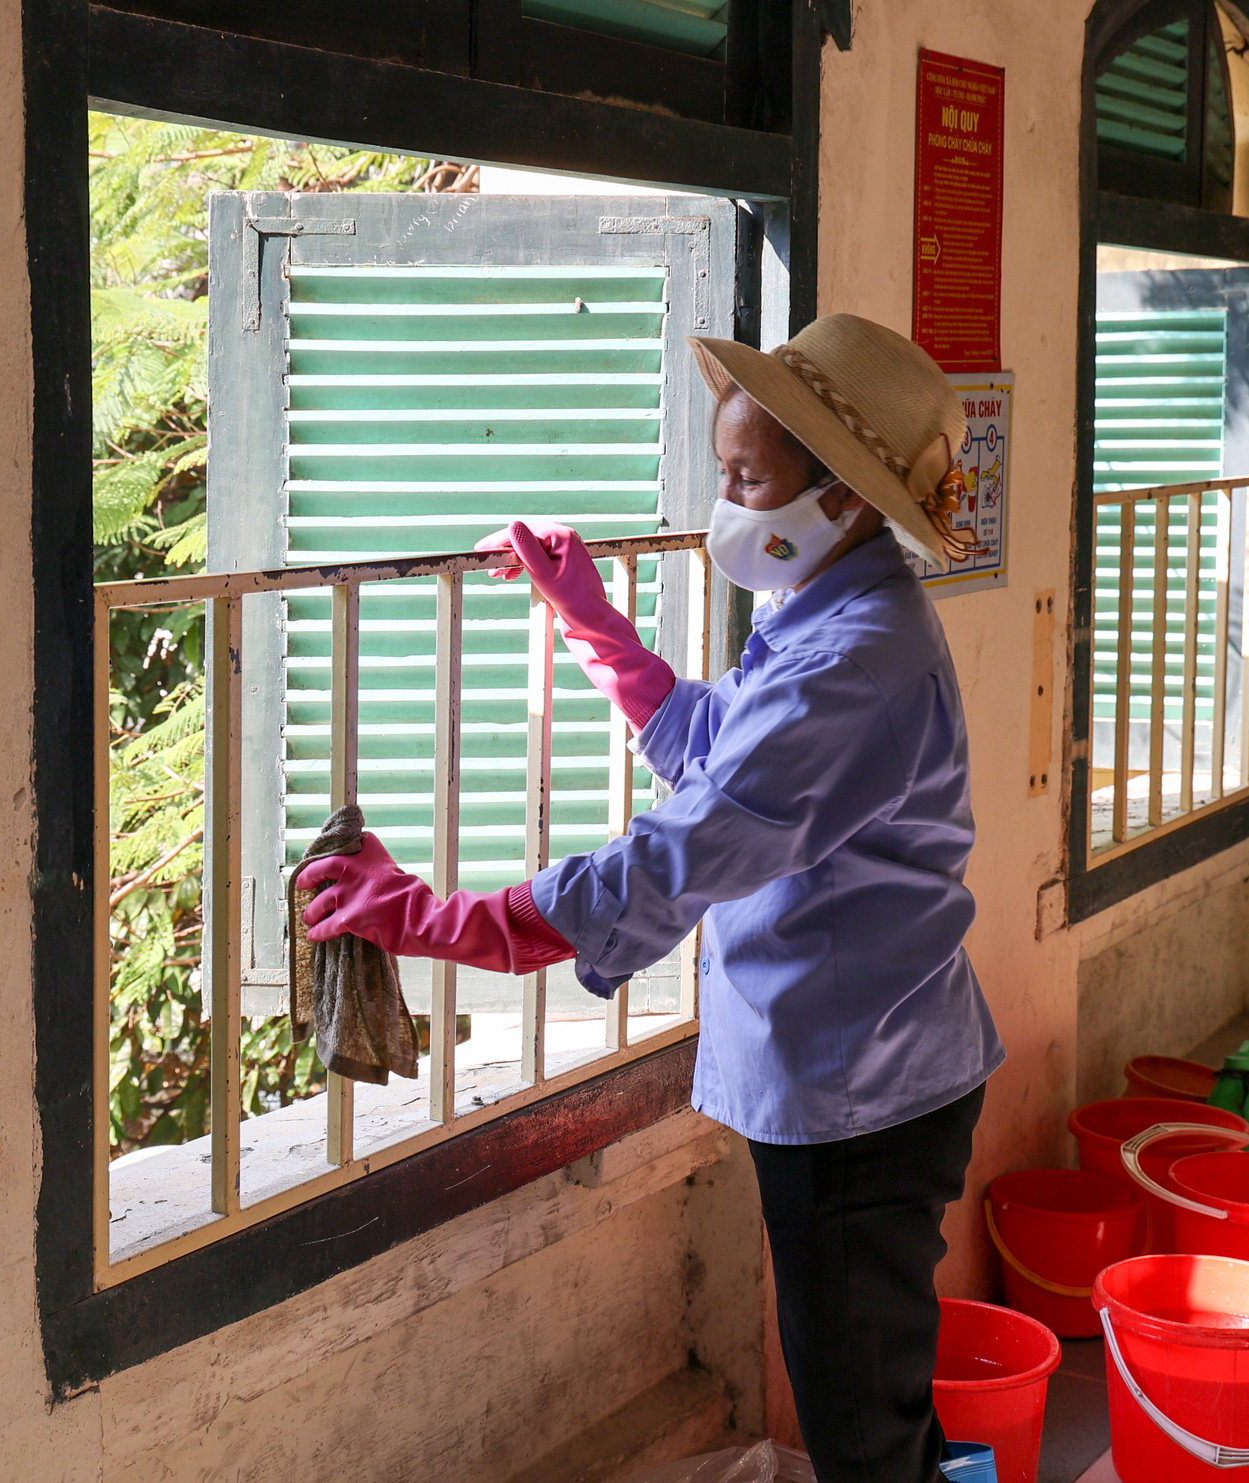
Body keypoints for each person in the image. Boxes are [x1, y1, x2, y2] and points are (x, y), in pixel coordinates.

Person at [293, 313, 1004, 1483]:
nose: (722, 498)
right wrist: (591, 621)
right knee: (873, 1401)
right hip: (858, 1067)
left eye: (745, 477)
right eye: (720, 467)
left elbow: (677, 856)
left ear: (841, 499)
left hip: (861, 1096)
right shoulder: (818, 611)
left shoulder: (853, 661)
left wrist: (435, 918)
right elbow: (720, 749)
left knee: (863, 1439)